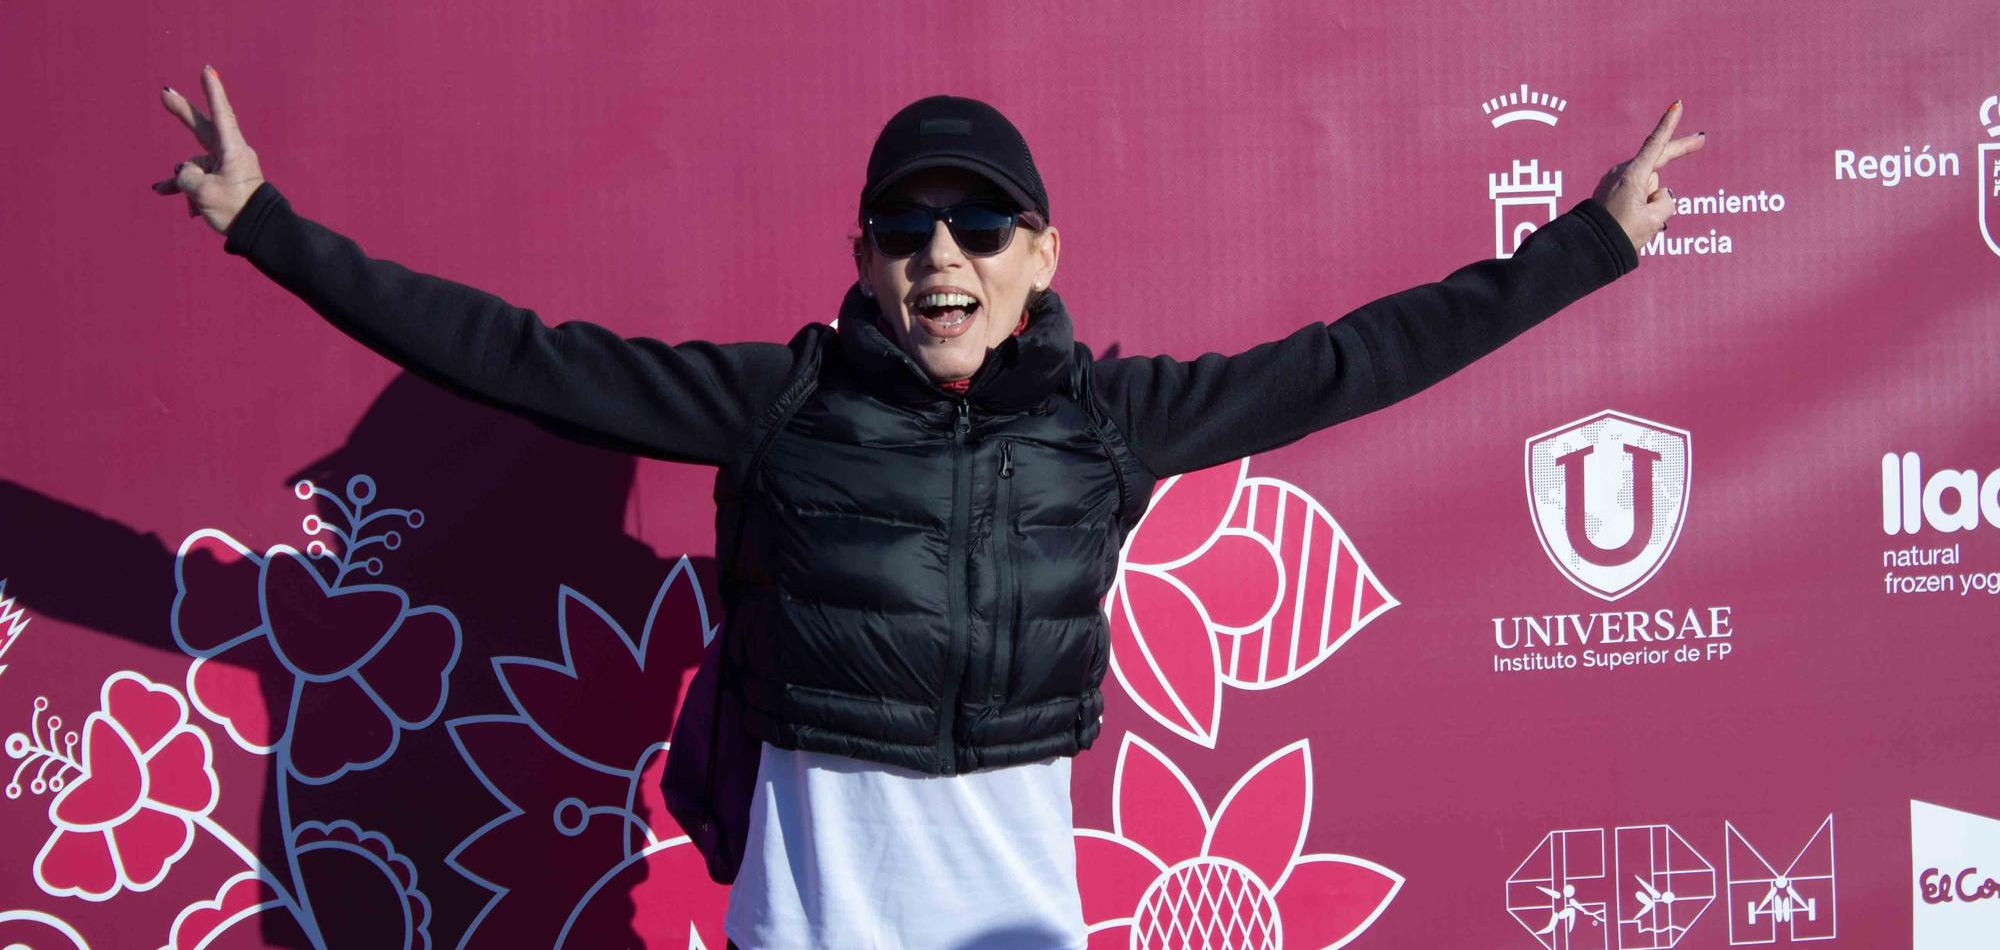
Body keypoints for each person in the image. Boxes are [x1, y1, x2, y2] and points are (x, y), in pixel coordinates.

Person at [154, 70, 1704, 949]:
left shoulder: (1112, 421)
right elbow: (510, 354)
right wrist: (267, 228)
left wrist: (1590, 244)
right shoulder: (779, 401)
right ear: (864, 252)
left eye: (980, 221)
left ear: (1040, 252)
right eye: (907, 223)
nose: (940, 251)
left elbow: (1356, 360)